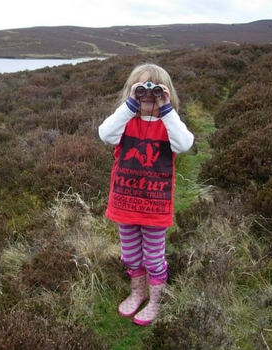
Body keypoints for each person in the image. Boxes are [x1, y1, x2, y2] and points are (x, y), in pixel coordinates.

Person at [98, 63, 194, 326]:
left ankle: (155, 300)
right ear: (132, 92)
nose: (147, 94)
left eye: (155, 89)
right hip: (125, 204)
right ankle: (138, 292)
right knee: (130, 255)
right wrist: (130, 104)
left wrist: (166, 109)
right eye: (141, 89)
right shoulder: (126, 123)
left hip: (155, 207)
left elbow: (184, 144)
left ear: (166, 93)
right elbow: (105, 134)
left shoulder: (168, 125)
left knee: (153, 257)